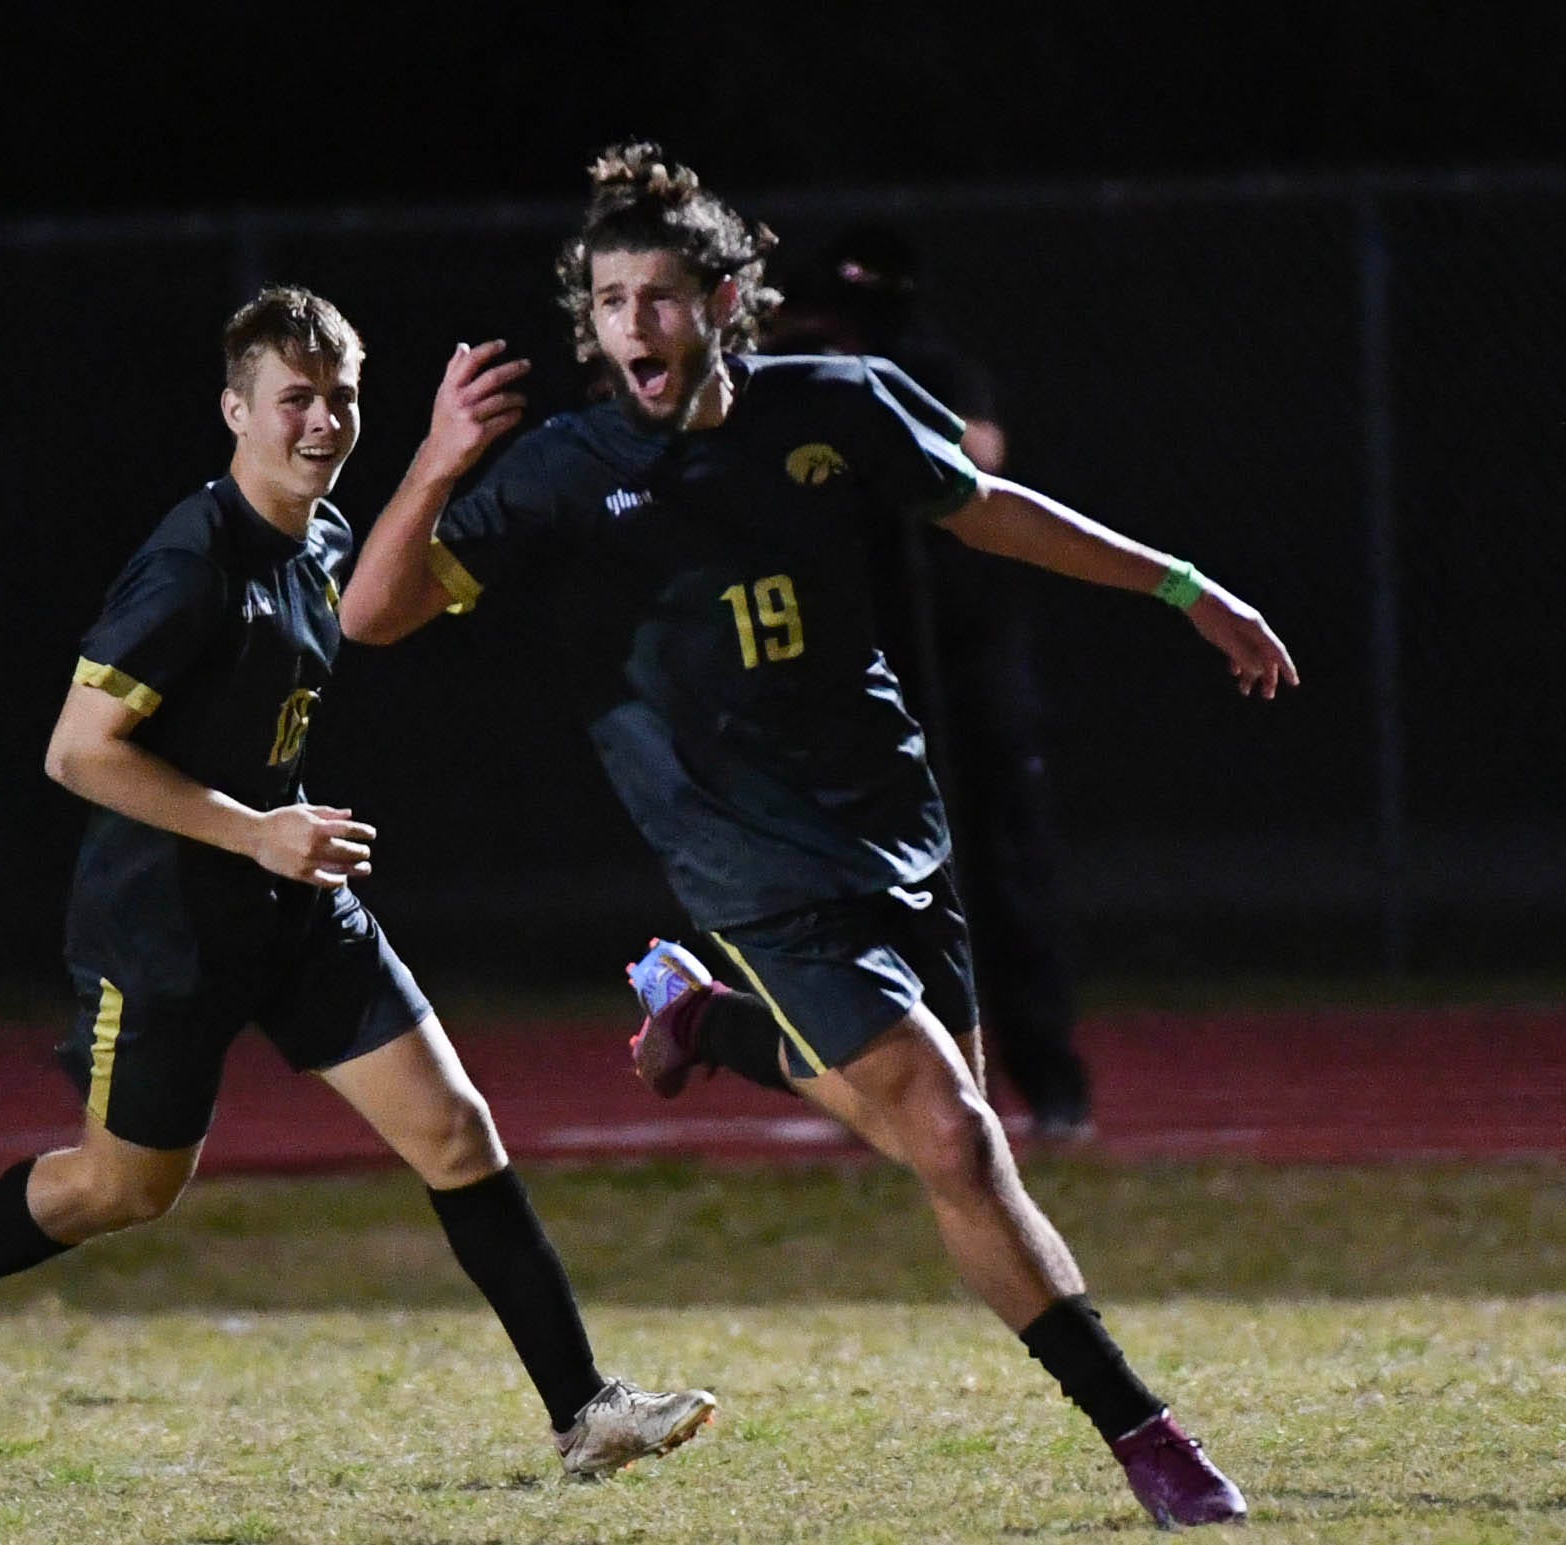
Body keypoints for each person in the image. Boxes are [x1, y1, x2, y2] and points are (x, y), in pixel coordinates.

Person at [339, 142, 1297, 1528]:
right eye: (608, 302)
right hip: (743, 852)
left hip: (888, 816)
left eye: (659, 297)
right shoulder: (559, 468)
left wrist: (1187, 589)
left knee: (932, 1125)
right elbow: (373, 614)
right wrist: (434, 462)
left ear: (726, 300)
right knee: (959, 1141)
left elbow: (991, 514)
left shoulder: (835, 406)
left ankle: (709, 1025)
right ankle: (1150, 1441)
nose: (631, 327)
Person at [0, 287, 715, 1479]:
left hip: (292, 904)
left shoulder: (323, 538)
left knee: (456, 1132)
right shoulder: (190, 560)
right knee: (122, 1188)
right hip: (167, 927)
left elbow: (389, 603)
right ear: (235, 410)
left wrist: (452, 473)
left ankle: (587, 1413)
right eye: (295, 398)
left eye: (341, 396)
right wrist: (255, 832)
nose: (321, 420)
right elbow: (76, 751)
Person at [766, 226, 1092, 1139]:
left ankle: (1047, 1081)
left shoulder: (924, 370)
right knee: (864, 882)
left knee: (997, 871)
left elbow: (979, 452)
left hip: (964, 662)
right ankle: (885, 1082)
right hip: (861, 666)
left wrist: (873, 409)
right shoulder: (798, 388)